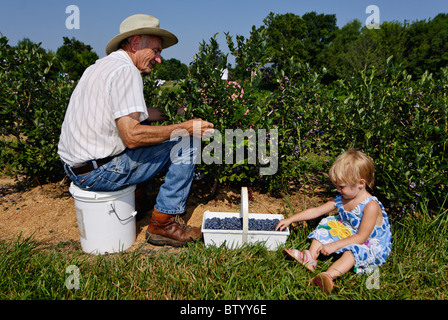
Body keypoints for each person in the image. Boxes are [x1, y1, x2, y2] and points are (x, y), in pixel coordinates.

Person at [58, 14, 214, 247]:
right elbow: (132, 136)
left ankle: (138, 201)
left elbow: (136, 114)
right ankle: (164, 223)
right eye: (156, 50)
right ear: (135, 43)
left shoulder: (100, 67)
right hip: (97, 174)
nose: (159, 59)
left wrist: (176, 113)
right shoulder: (126, 72)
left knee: (154, 130)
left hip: (76, 169)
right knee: (186, 142)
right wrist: (185, 128)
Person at [276, 150, 392, 292]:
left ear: (361, 183)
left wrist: (334, 246)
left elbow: (361, 237)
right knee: (329, 222)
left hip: (368, 242)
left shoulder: (371, 206)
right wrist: (290, 219)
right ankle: (311, 257)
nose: (337, 189)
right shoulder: (341, 199)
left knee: (353, 252)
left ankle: (328, 275)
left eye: (341, 186)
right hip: (349, 232)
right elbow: (317, 211)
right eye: (336, 185)